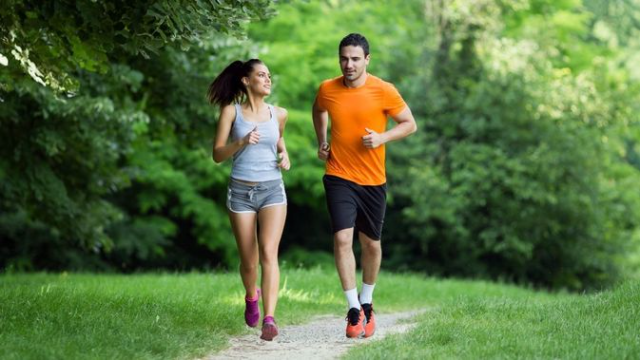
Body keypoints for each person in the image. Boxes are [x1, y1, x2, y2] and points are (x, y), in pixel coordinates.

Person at [312, 33, 417, 339]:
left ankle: (368, 300)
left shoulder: (384, 90)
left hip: (373, 180)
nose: (349, 64)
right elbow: (318, 109)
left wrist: (382, 138)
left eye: (355, 59)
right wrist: (322, 140)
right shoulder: (328, 89)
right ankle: (353, 309)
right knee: (343, 239)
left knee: (371, 244)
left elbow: (410, 123)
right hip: (338, 175)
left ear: (367, 60)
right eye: (344, 58)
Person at [208, 59, 290, 341]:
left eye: (269, 75)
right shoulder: (231, 112)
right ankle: (250, 296)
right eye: (261, 75)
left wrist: (285, 153)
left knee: (269, 253)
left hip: (272, 190)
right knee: (249, 260)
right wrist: (240, 142)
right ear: (246, 80)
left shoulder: (279, 114)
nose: (268, 79)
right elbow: (217, 154)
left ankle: (269, 318)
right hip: (241, 192)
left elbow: (277, 139)